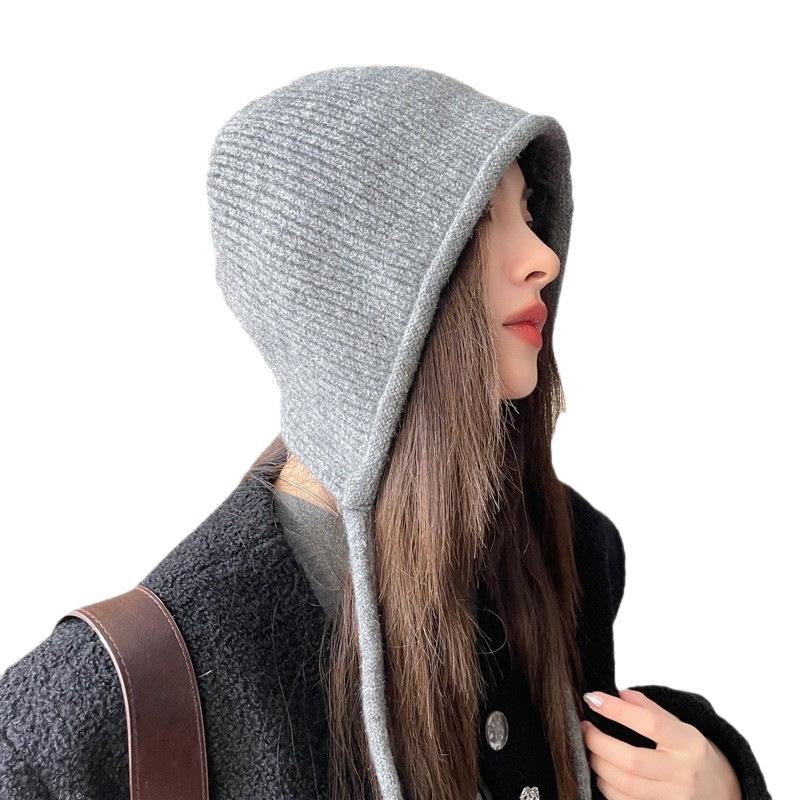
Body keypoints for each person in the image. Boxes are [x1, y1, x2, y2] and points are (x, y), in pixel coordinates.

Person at [0, 65, 771, 800]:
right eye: (480, 221)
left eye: (530, 213)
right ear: (352, 285)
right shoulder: (111, 704)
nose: (542, 257)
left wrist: (720, 782)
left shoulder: (564, 551)